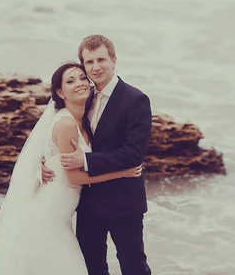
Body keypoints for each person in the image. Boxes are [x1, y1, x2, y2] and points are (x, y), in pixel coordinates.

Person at [0, 62, 142, 275]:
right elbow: (75, 178)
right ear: (60, 92)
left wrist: (42, 163)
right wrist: (123, 172)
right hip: (48, 217)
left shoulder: (84, 117)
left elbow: (49, 153)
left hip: (61, 216)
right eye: (71, 81)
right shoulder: (66, 123)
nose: (79, 83)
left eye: (82, 78)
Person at [41, 35, 152, 275]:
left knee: (134, 267)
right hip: (88, 202)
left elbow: (133, 154)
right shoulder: (82, 95)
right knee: (92, 268)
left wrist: (86, 160)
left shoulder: (136, 100)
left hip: (124, 201)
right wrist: (43, 163)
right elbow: (53, 134)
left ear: (113, 60)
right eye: (89, 62)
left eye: (101, 59)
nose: (95, 67)